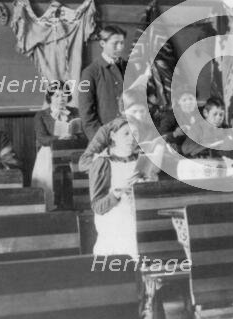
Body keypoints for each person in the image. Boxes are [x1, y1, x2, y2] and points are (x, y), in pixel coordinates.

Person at [89, 117, 149, 257]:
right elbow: (98, 207)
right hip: (115, 219)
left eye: (135, 133)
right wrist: (117, 192)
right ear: (113, 135)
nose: (132, 138)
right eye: (126, 134)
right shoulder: (103, 163)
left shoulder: (143, 159)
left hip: (140, 214)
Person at [32, 81, 84, 210]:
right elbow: (42, 138)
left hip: (72, 152)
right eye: (56, 96)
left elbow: (85, 134)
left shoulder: (76, 112)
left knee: (72, 185)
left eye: (64, 95)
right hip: (49, 154)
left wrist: (74, 136)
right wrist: (59, 138)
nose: (61, 99)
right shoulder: (41, 115)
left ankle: (72, 207)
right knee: (52, 187)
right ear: (50, 98)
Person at [80, 25, 128, 140]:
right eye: (115, 43)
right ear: (102, 43)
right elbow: (86, 114)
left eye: (122, 43)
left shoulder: (129, 68)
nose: (120, 47)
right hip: (107, 138)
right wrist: (101, 140)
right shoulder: (90, 72)